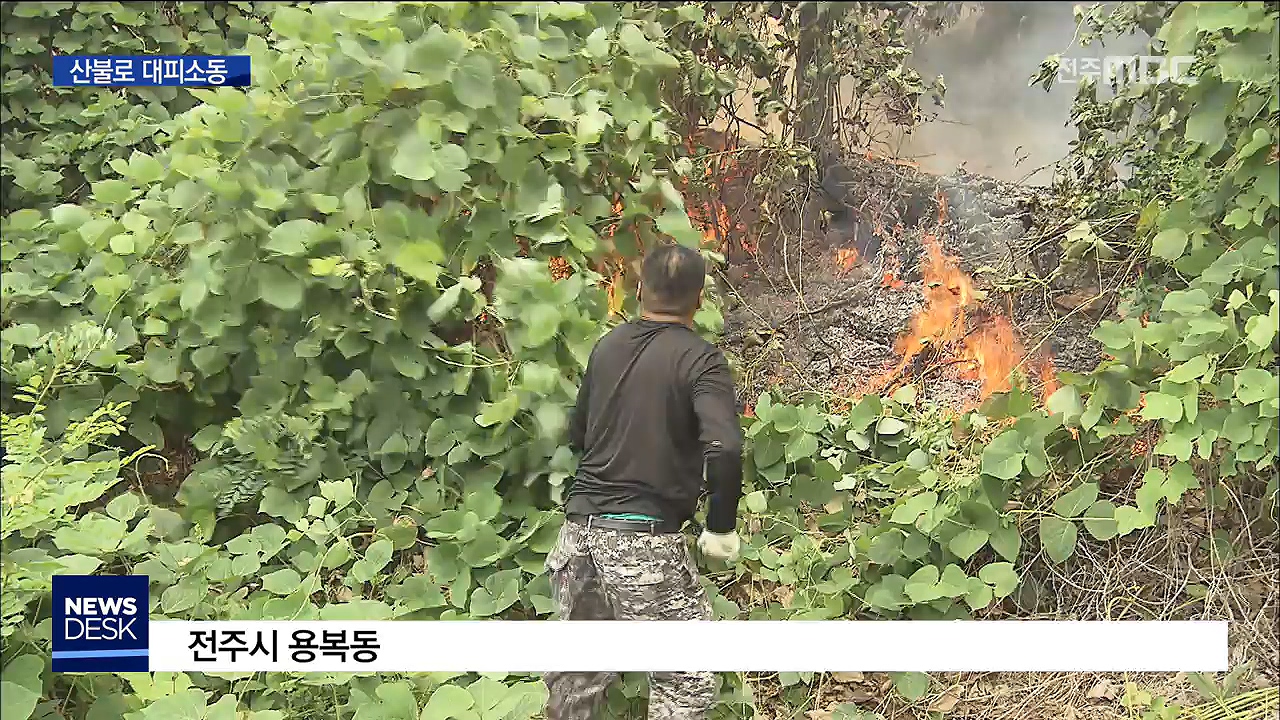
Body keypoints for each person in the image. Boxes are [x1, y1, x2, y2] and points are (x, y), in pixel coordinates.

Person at [543, 242, 745, 720]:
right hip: (643, 543)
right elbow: (725, 446)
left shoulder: (608, 346)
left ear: (638, 290)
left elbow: (577, 432)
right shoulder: (701, 361)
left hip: (578, 537)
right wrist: (719, 526)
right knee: (685, 681)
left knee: (577, 679)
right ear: (699, 299)